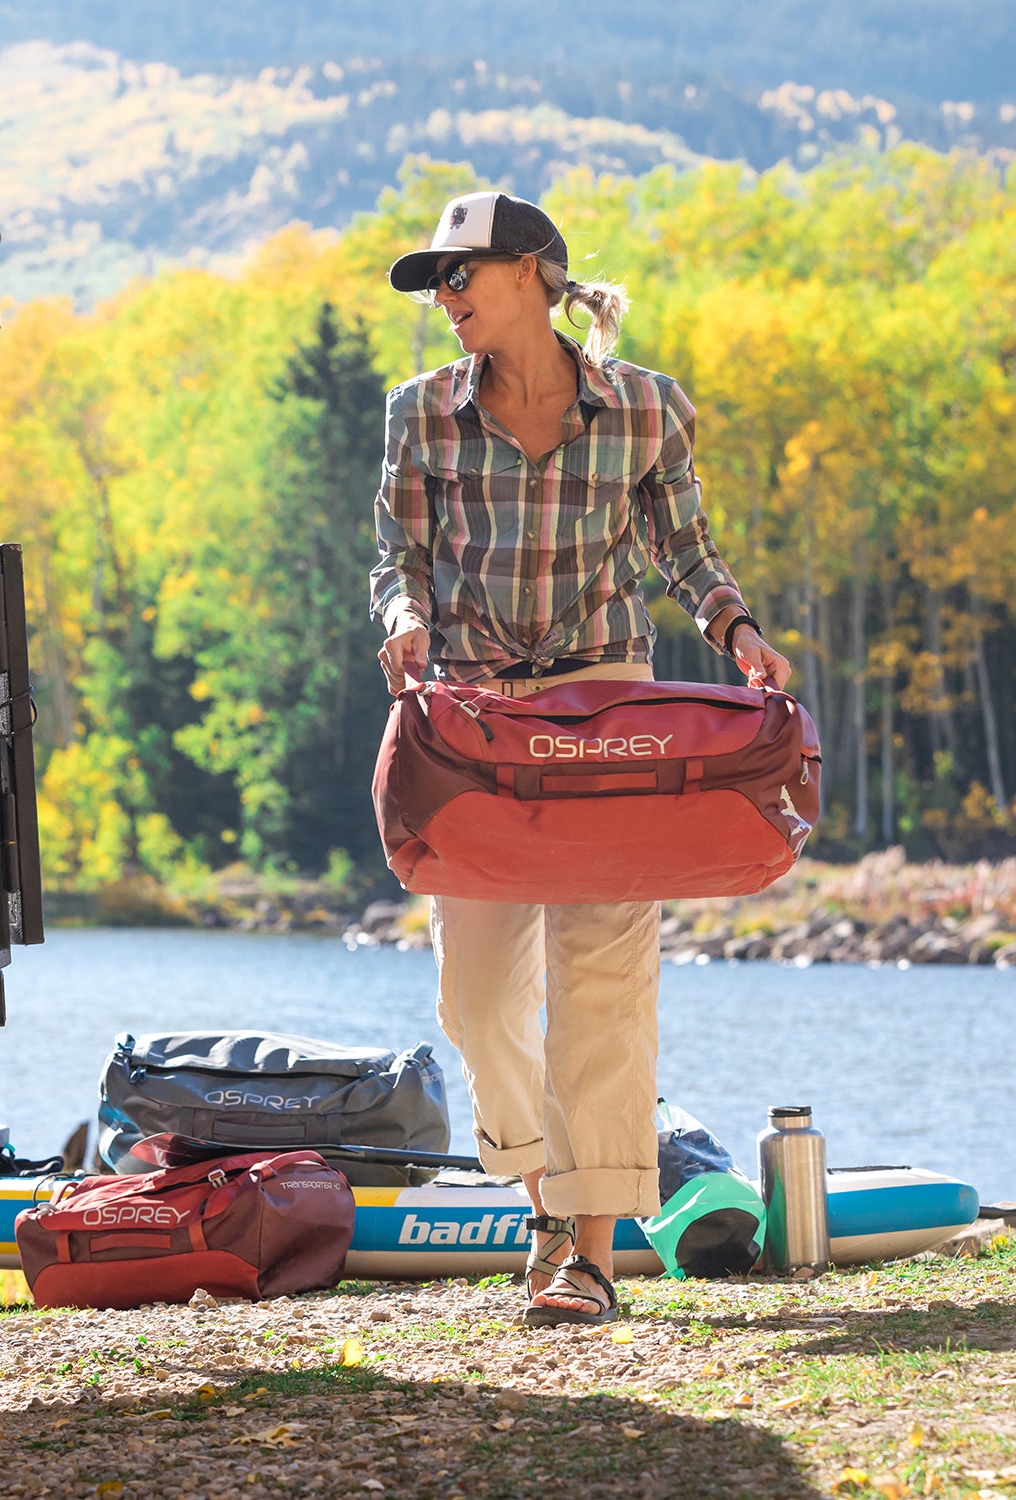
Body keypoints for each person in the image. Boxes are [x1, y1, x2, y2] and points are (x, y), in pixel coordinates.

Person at [369, 191, 792, 1326]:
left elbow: (685, 548)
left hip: (610, 717)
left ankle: (589, 1255)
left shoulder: (646, 407)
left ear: (531, 275)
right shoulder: (421, 413)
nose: (444, 300)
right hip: (475, 726)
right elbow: (396, 557)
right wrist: (403, 620)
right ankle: (549, 1198)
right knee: (476, 998)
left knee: (603, 983)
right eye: (436, 286)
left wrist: (738, 634)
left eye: (459, 277)